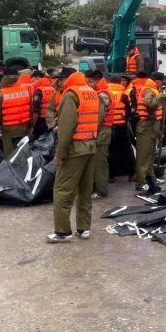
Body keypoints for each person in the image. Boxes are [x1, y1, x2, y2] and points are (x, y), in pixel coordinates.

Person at [47, 71, 101, 243]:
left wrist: (60, 154)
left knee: (62, 190)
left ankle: (63, 232)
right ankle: (84, 228)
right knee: (85, 191)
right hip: (91, 146)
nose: (60, 84)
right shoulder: (92, 93)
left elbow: (67, 128)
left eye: (61, 80)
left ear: (68, 79)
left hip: (74, 150)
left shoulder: (71, 95)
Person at [0, 68, 34, 156]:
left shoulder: (2, 93)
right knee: (23, 154)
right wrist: (31, 126)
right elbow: (31, 110)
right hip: (24, 127)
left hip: (8, 130)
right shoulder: (26, 90)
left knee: (10, 156)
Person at [135, 72, 166, 194]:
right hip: (146, 125)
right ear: (157, 81)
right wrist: (160, 97)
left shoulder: (153, 89)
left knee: (150, 155)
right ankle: (141, 183)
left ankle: (150, 178)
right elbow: (150, 104)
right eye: (161, 81)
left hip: (153, 125)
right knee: (143, 156)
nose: (162, 84)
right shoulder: (148, 90)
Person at [85, 70, 112, 199]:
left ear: (96, 80)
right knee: (98, 161)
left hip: (101, 132)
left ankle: (101, 190)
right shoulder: (102, 92)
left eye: (90, 81)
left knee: (99, 163)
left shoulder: (102, 95)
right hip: (102, 131)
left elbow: (99, 118)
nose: (89, 84)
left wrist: (92, 131)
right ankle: (98, 188)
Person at [107, 77, 135, 183]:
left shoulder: (106, 94)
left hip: (109, 126)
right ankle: (131, 175)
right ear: (119, 83)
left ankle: (111, 176)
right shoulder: (123, 95)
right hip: (122, 126)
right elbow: (128, 110)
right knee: (127, 151)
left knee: (111, 151)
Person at [31, 71, 56, 137]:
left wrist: (32, 125)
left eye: (33, 78)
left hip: (42, 120)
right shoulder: (53, 89)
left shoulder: (38, 91)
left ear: (37, 78)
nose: (32, 80)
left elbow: (36, 110)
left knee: (39, 140)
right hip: (52, 119)